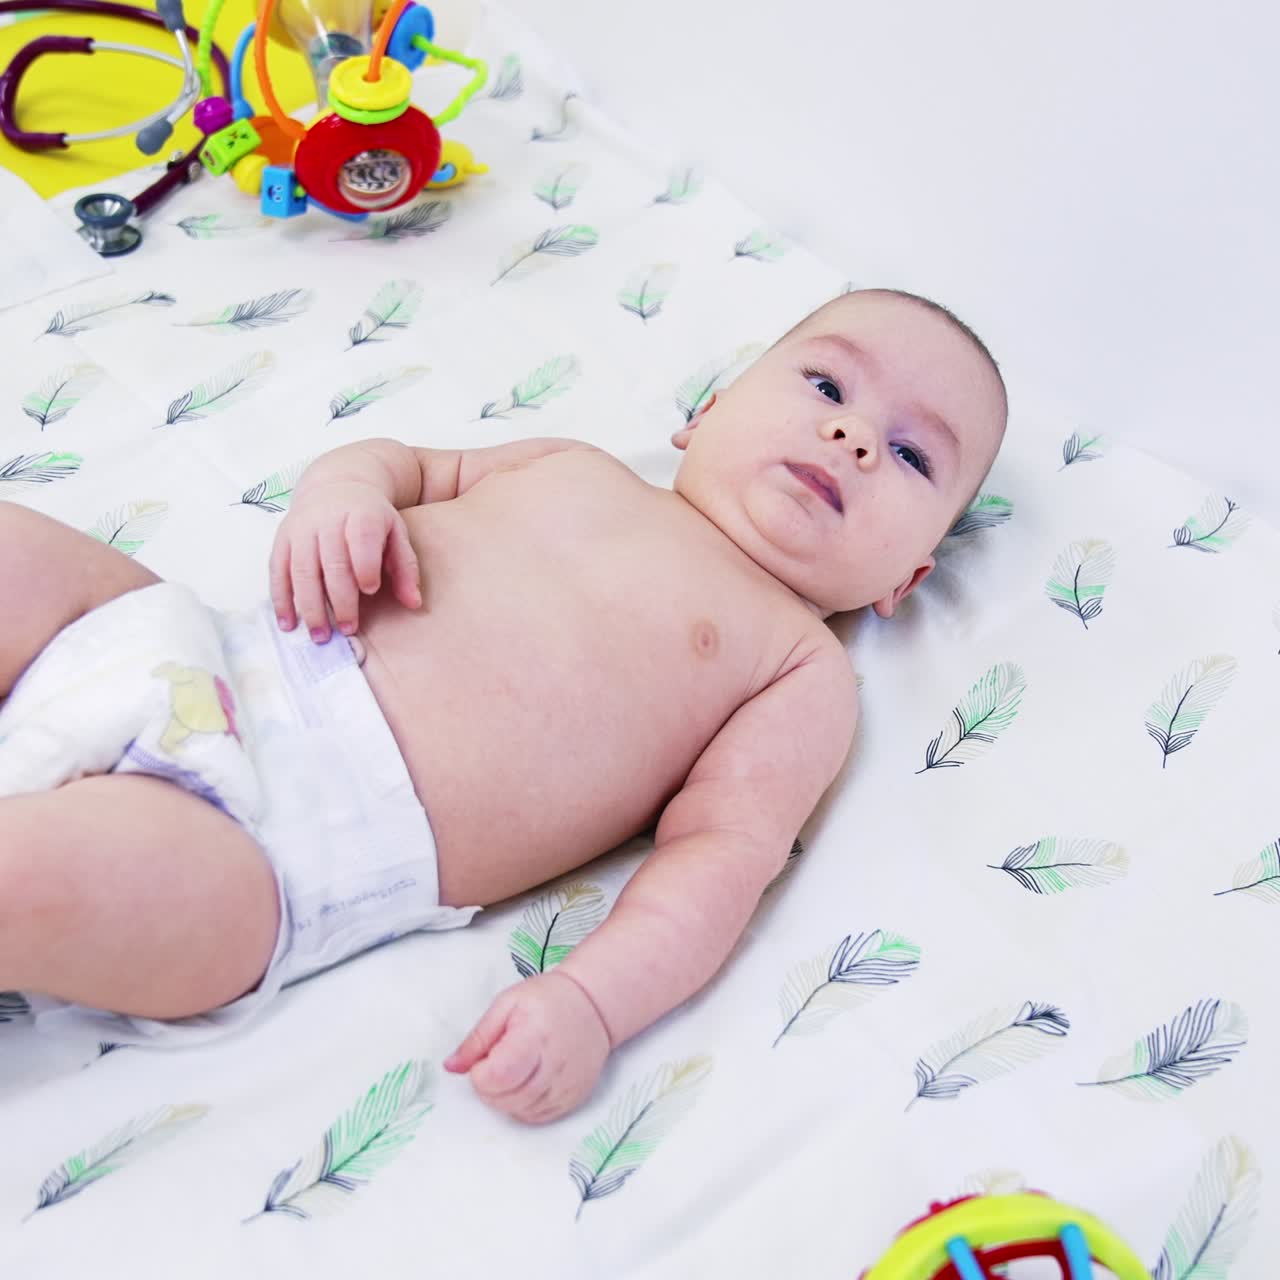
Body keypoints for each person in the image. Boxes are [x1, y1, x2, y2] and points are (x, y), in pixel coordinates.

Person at [0, 288, 1007, 1122]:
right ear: (703, 410)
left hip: (279, 848)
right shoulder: (570, 463)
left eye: (914, 455)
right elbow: (401, 465)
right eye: (825, 384)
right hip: (188, 647)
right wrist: (339, 494)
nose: (851, 435)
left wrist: (590, 1002)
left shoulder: (797, 667)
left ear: (904, 580)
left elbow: (718, 861)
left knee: (29, 876)